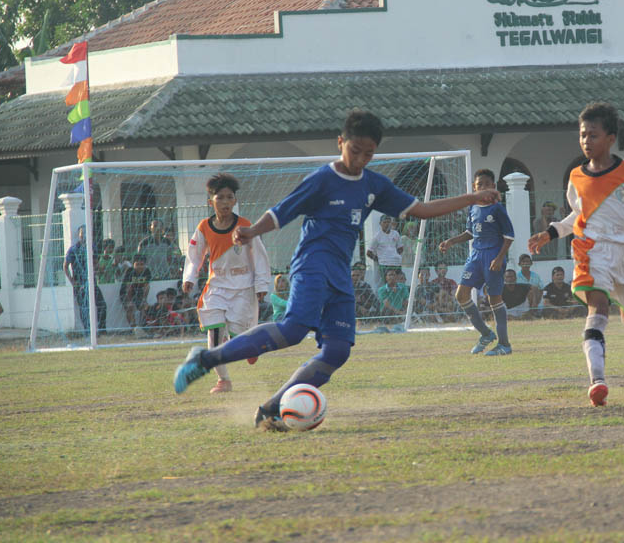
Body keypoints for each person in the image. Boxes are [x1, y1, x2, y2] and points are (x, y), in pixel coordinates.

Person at [172, 110, 500, 431]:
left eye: (368, 154)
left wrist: (473, 197)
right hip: (312, 264)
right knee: (294, 329)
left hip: (340, 274)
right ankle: (206, 359)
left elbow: (423, 210)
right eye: (354, 150)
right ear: (340, 141)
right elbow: (281, 212)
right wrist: (253, 230)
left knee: (338, 350)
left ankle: (271, 409)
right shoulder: (322, 180)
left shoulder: (374, 184)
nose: (360, 159)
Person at [528, 102, 624, 407]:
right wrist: (551, 232)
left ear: (611, 138)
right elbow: (578, 215)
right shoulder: (576, 177)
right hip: (593, 251)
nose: (586, 141)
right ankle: (597, 380)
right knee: (596, 308)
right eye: (583, 135)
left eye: (593, 135)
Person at [182, 173, 272, 394]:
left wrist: (262, 284)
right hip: (217, 288)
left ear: (235, 201)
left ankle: (251, 345)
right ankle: (223, 380)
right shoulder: (204, 227)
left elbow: (259, 256)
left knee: (237, 333)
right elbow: (195, 256)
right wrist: (189, 278)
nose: (224, 202)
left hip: (243, 289)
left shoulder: (245, 226)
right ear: (210, 201)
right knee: (214, 330)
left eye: (229, 197)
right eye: (219, 197)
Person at [439, 169, 515, 355]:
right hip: (475, 256)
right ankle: (486, 334)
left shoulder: (497, 208)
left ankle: (505, 344)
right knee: (461, 294)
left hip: (492, 256)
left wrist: (499, 258)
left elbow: (509, 236)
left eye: (487, 184)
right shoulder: (472, 208)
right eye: (479, 185)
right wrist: (451, 241)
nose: (483, 188)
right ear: (474, 187)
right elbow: (471, 233)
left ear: (493, 187)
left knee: (494, 298)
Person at [64, 225, 107, 335]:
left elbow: (96, 263)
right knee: (84, 308)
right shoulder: (73, 249)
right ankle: (88, 331)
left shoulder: (92, 247)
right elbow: (65, 266)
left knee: (102, 304)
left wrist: (98, 270)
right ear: (79, 235)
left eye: (86, 233)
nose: (84, 236)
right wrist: (72, 281)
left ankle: (102, 330)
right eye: (82, 233)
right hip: (80, 284)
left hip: (92, 283)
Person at [367, 215, 403, 282]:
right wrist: (380, 259)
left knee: (399, 283)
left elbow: (400, 248)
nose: (387, 224)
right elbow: (369, 252)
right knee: (388, 284)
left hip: (396, 263)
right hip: (385, 264)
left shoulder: (396, 234)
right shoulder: (377, 236)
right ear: (380, 224)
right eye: (385, 222)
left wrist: (394, 255)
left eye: (389, 222)